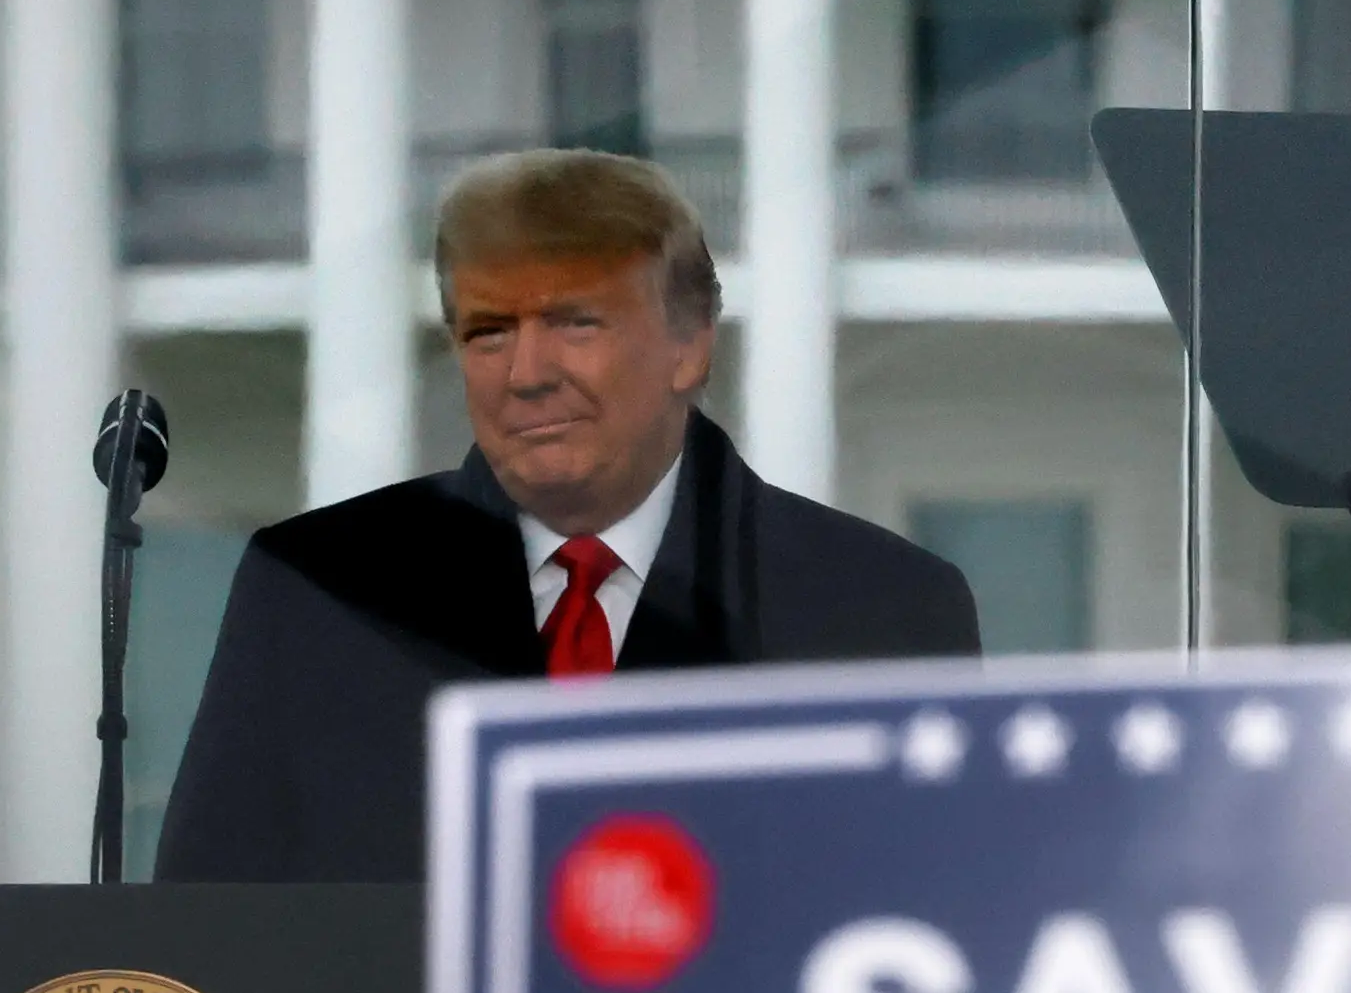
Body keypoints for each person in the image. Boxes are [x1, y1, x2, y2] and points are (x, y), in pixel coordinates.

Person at [157, 148, 981, 887]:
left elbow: (942, 936)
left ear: (688, 344)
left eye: (574, 323)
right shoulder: (317, 594)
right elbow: (206, 950)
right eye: (488, 333)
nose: (527, 374)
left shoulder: (885, 609)